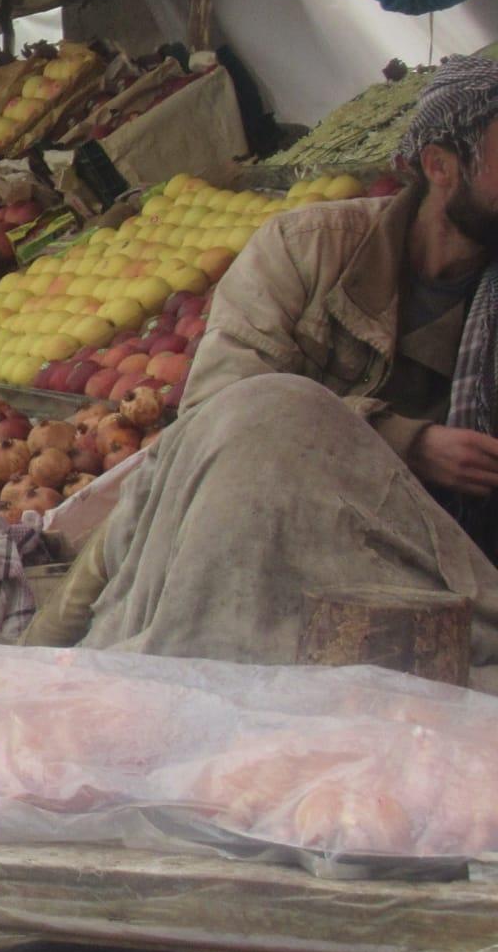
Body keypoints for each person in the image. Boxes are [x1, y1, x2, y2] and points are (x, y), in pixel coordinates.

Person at [34, 55, 498, 671]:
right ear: (441, 166)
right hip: (256, 535)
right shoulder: (306, 250)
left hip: (423, 563)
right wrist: (405, 442)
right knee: (271, 406)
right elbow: (221, 414)